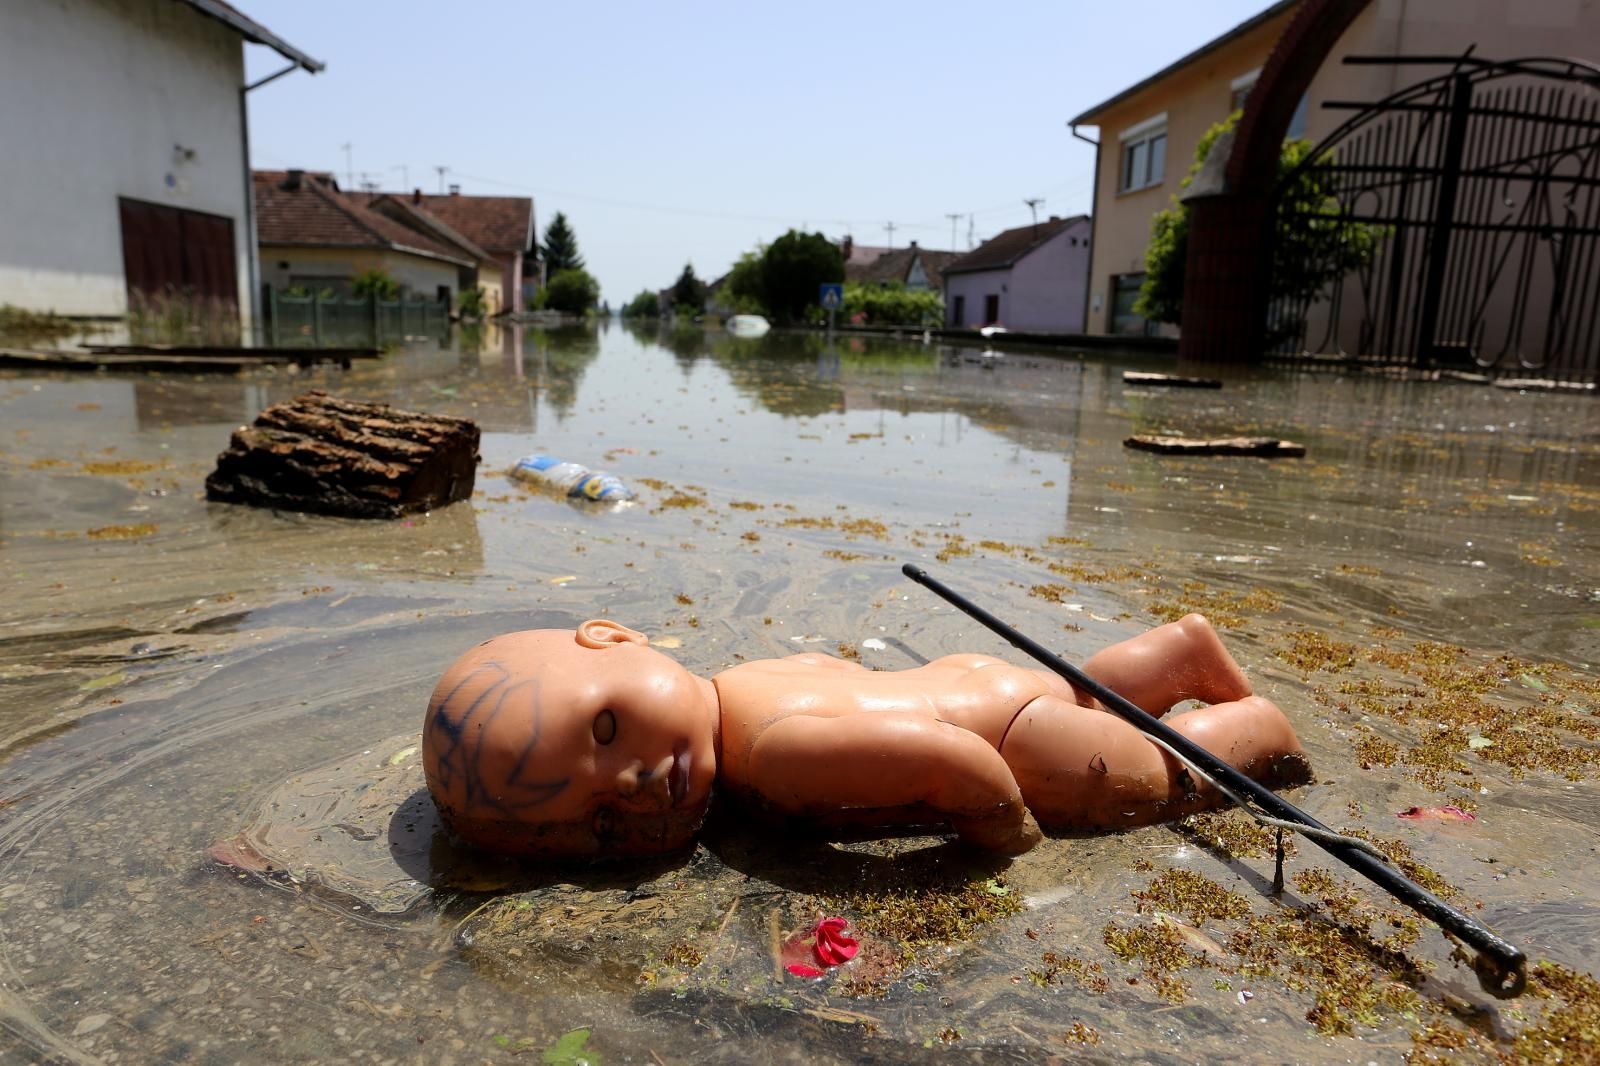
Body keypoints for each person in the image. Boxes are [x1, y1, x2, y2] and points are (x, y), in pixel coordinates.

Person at [422, 615, 1309, 858]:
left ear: (616, 636)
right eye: (603, 824)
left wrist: (1010, 832)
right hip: (977, 682)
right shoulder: (748, 680)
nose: (635, 782)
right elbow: (840, 674)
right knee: (1096, 693)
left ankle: (1251, 724)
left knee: (1151, 775)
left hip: (1014, 740)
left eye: (606, 729)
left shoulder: (771, 756)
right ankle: (1179, 654)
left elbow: (950, 761)